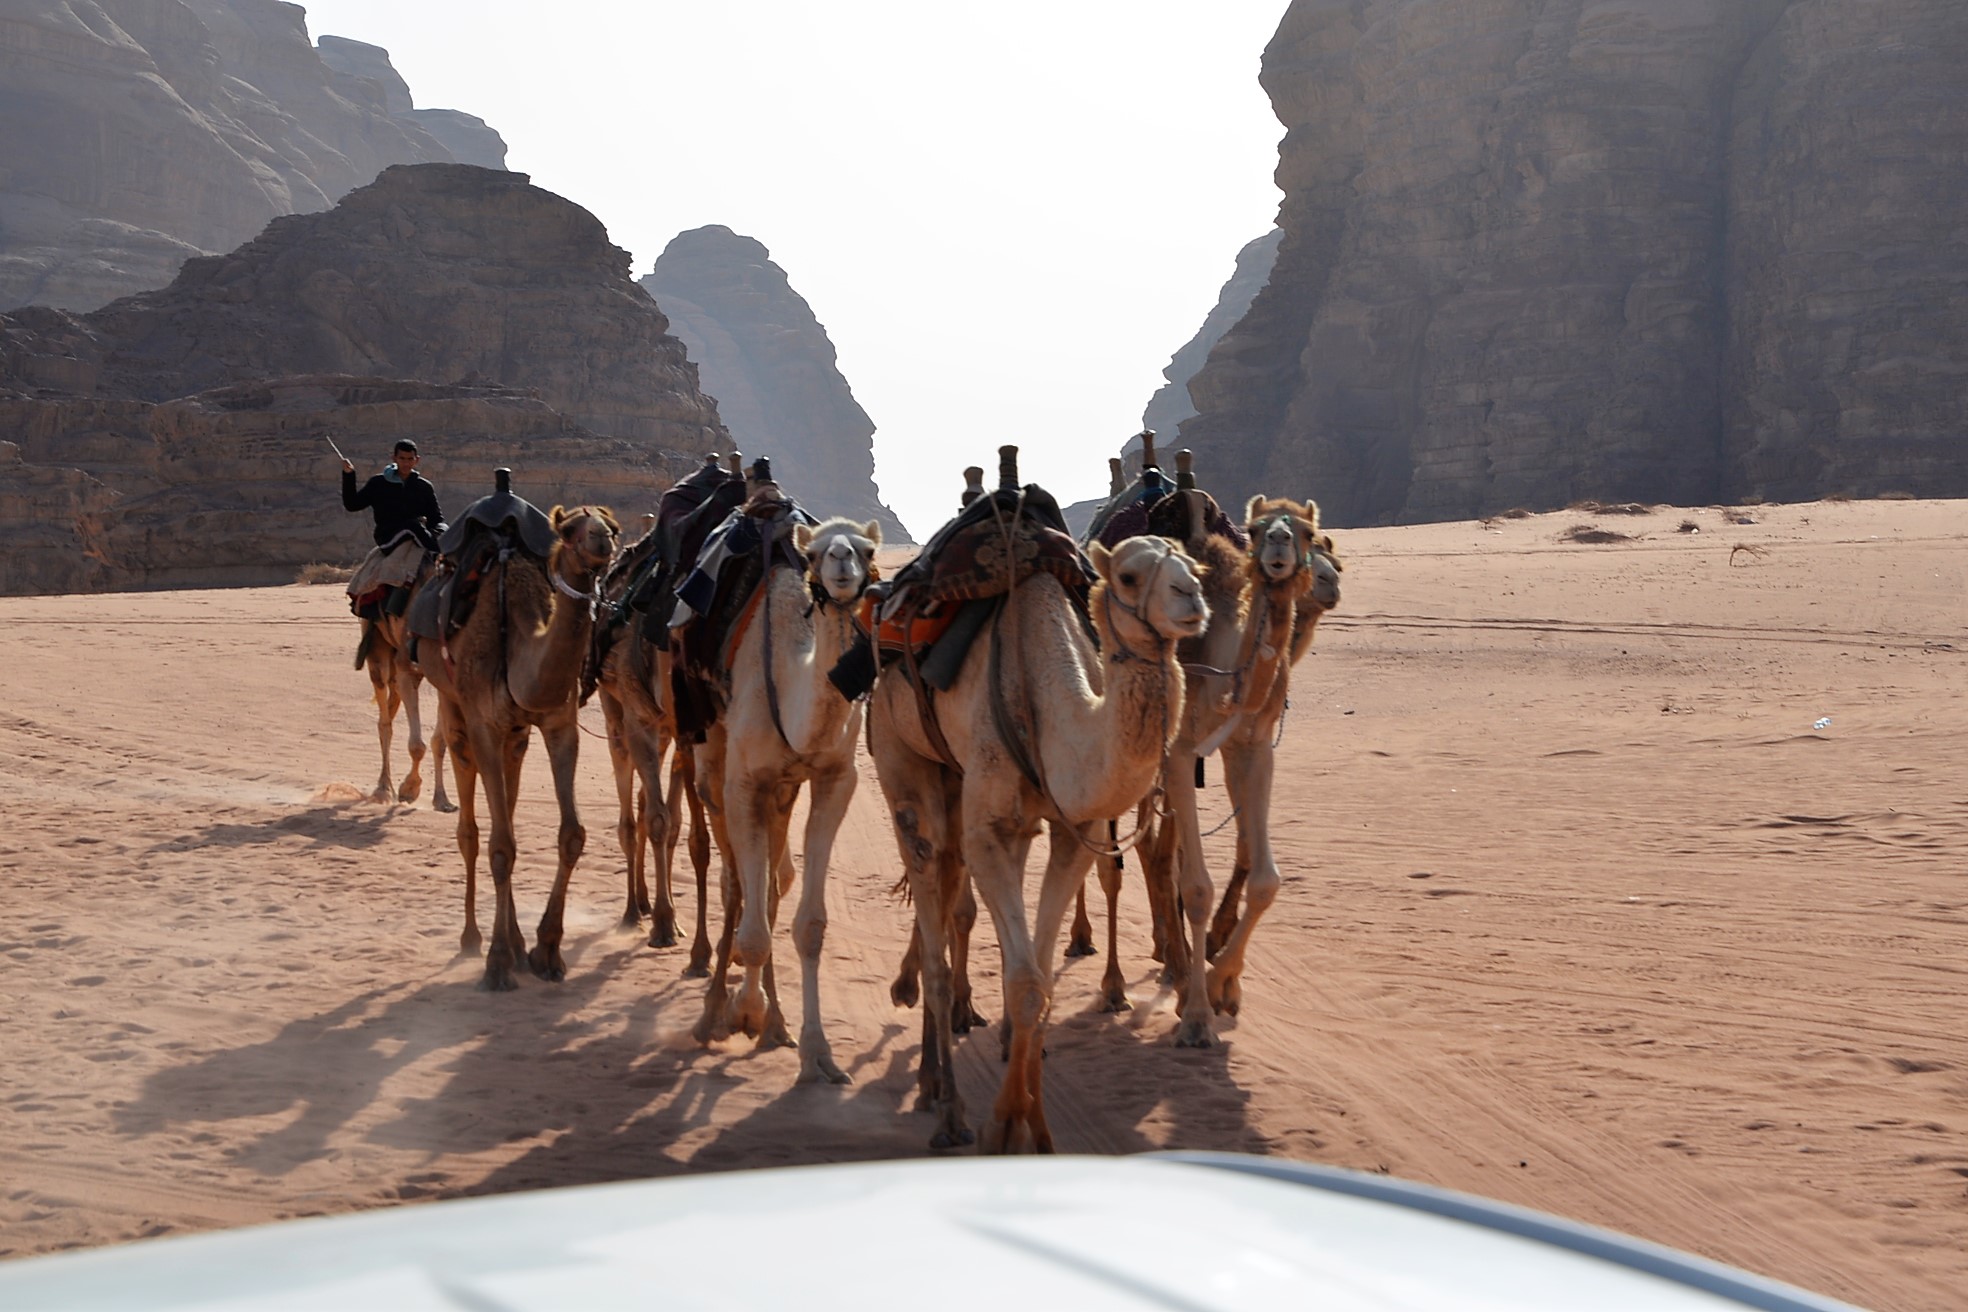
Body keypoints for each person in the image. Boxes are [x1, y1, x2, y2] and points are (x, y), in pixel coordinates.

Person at [341, 440, 446, 617]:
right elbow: (352, 504)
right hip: (389, 537)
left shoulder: (424, 486)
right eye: (402, 458)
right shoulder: (378, 483)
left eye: (409, 459)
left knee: (438, 531)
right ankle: (439, 556)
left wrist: (443, 531)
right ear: (394, 458)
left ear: (416, 460)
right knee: (412, 526)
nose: (406, 463)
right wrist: (349, 475)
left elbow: (436, 518)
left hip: (418, 535)